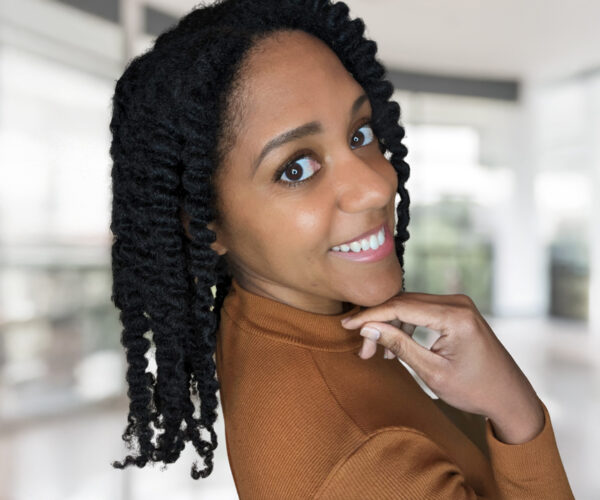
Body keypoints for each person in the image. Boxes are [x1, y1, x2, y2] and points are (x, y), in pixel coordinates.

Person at [108, 0, 575, 498]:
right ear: (204, 223)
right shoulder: (363, 466)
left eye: (361, 133)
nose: (376, 185)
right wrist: (516, 410)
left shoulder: (268, 317)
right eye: (295, 168)